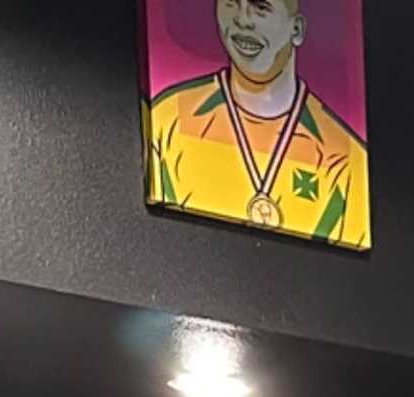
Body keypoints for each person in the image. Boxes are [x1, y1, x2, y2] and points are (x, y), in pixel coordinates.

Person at [147, 0, 370, 249]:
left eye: (261, 7)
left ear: (296, 29)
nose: (242, 20)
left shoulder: (344, 160)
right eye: (231, 3)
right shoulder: (170, 120)